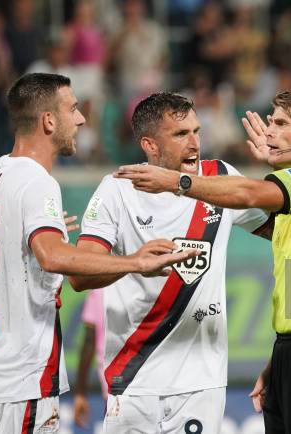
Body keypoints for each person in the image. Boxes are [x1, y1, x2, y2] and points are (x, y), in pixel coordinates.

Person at [0, 73, 196, 433]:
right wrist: (135, 261)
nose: (81, 119)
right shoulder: (38, 182)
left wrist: (21, 235)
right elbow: (52, 256)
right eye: (72, 109)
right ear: (48, 121)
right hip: (21, 371)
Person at [114, 86, 291, 434]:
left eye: (281, 123)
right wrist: (281, 358)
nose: (269, 131)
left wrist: (177, 181)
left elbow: (245, 193)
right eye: (270, 122)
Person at [67, 92, 270, 434]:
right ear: (149, 145)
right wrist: (133, 263)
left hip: (200, 383)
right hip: (132, 379)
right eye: (180, 134)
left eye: (196, 130)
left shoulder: (218, 178)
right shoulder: (118, 189)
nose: (194, 143)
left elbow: (282, 231)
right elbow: (79, 276)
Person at [73, 288, 106, 429]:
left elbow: (89, 341)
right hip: (153, 382)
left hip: (116, 387)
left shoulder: (100, 287)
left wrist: (80, 393)